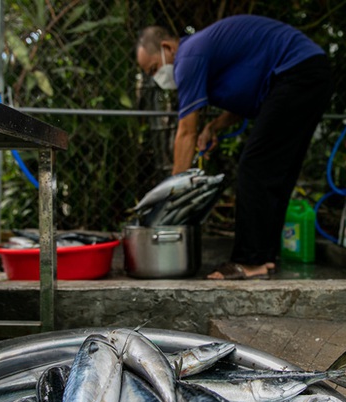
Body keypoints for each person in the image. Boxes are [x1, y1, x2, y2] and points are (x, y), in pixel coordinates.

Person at [136, 15, 333, 280]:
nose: (156, 77)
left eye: (152, 69)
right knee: (276, 172)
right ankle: (264, 257)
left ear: (167, 48)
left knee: (254, 166)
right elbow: (244, 98)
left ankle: (248, 262)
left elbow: (185, 131)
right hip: (309, 73)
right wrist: (214, 127)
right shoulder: (199, 53)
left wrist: (173, 192)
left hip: (297, 73)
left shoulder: (188, 57)